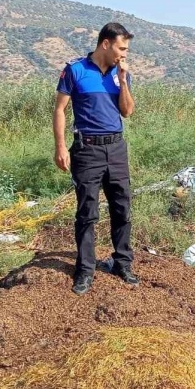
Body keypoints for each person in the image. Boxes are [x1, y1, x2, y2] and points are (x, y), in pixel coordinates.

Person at [53, 22, 138, 295]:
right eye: (121, 48)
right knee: (87, 212)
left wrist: (123, 81)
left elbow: (127, 112)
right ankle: (86, 270)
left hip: (115, 148)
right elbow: (60, 111)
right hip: (87, 150)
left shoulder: (120, 74)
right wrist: (61, 147)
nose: (124, 54)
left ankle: (122, 263)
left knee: (122, 208)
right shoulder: (75, 70)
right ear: (105, 44)